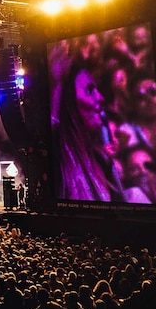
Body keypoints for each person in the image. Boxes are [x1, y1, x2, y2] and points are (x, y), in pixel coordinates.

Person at [52, 58, 124, 202]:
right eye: (90, 90)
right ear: (69, 102)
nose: (100, 97)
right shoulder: (58, 162)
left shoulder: (103, 160)